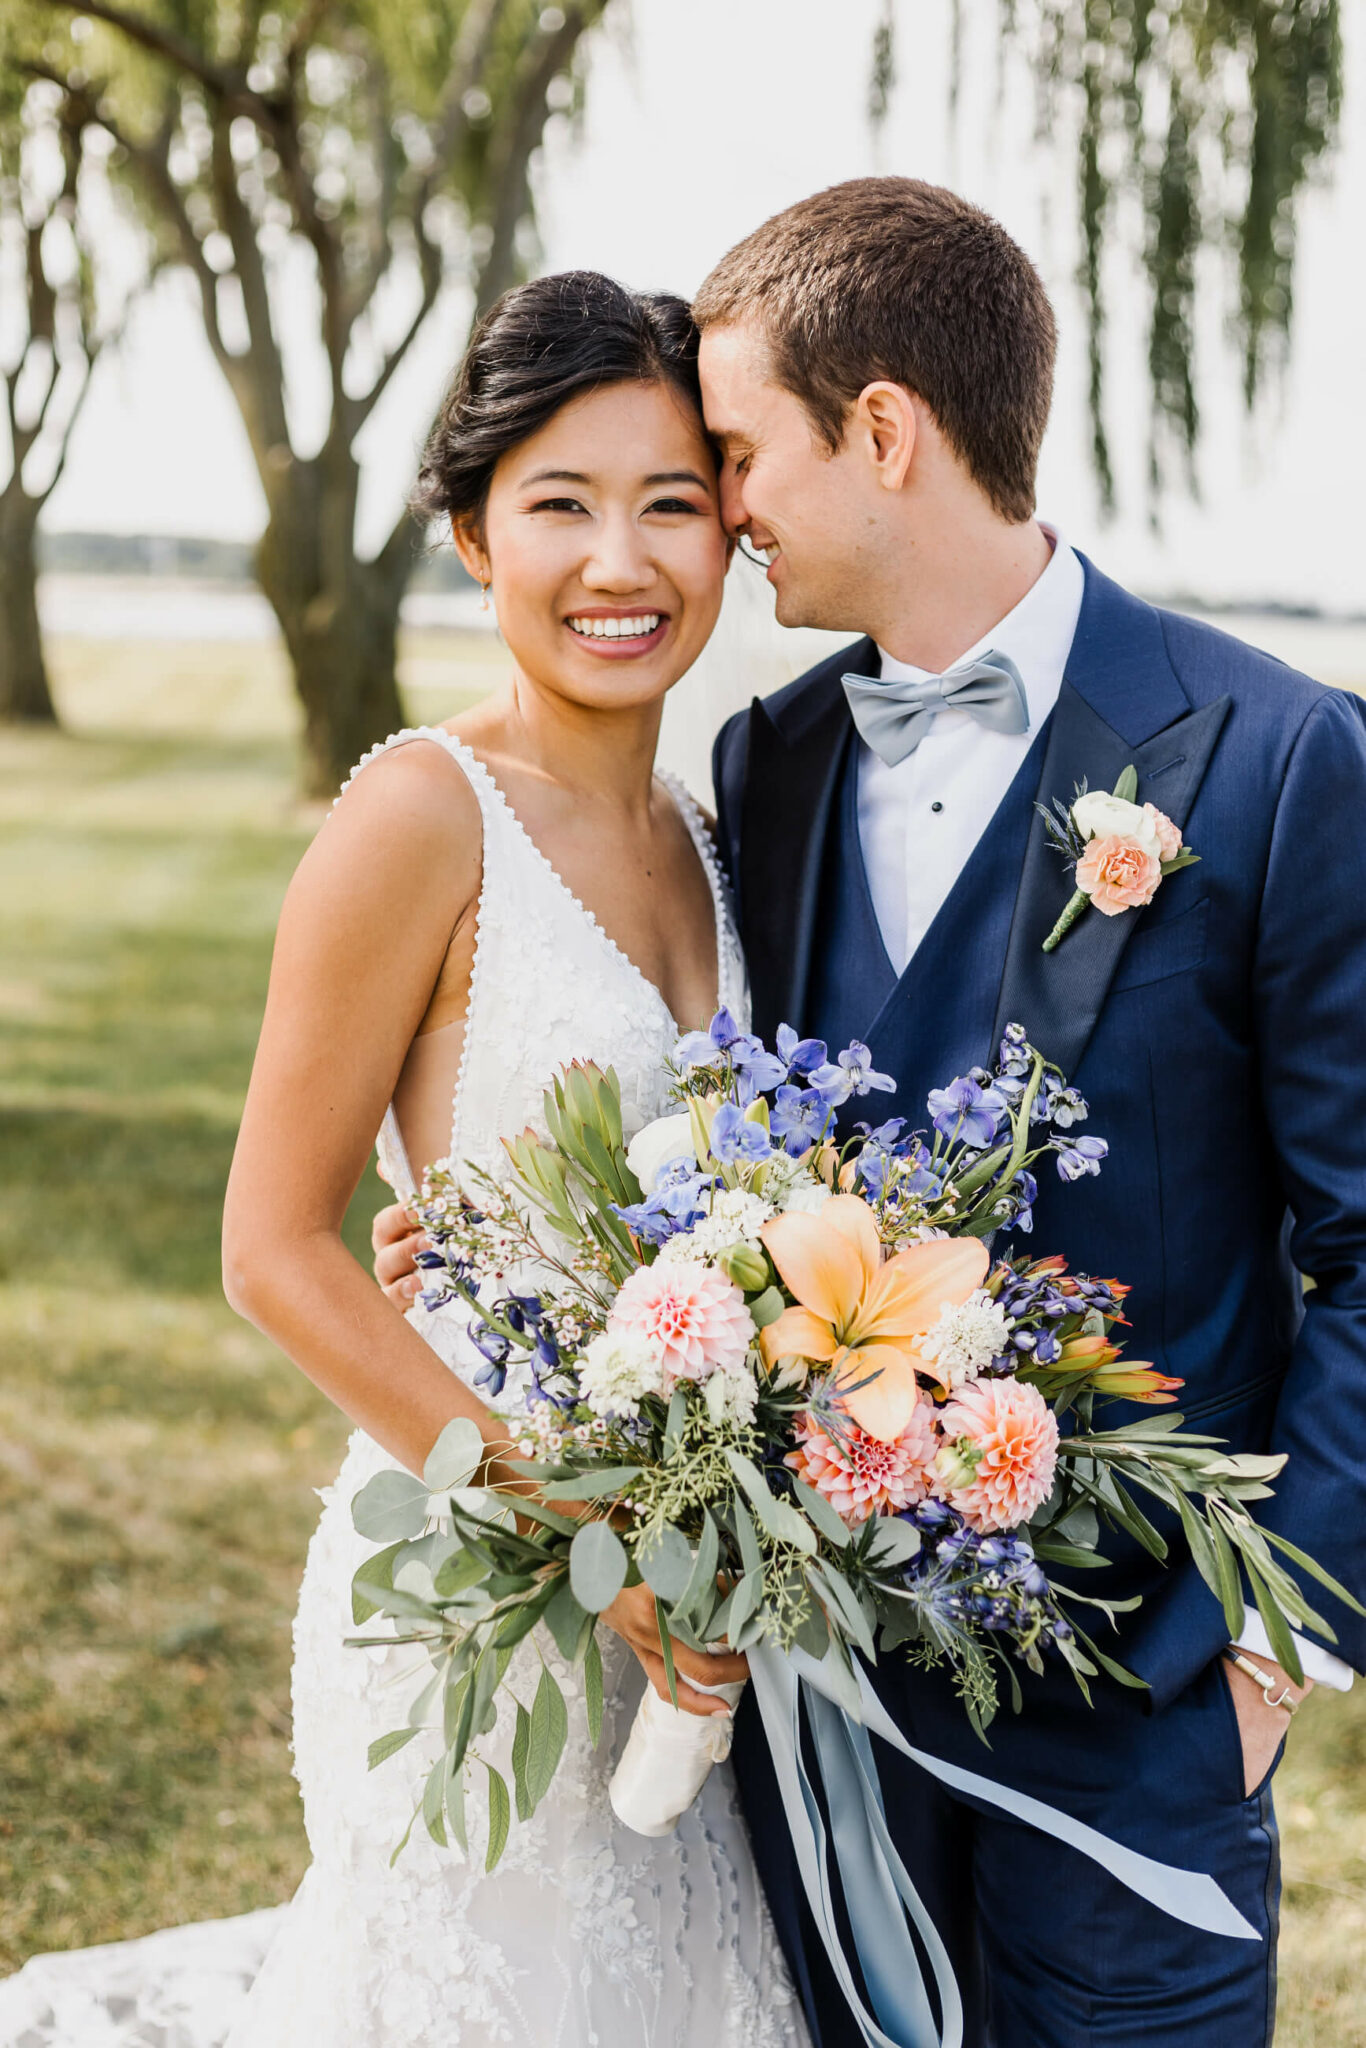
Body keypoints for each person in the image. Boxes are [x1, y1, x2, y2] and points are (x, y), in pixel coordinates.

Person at [377, 179, 1366, 2047]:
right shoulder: (773, 760)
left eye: (735, 453)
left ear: (886, 431)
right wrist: (507, 1250)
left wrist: (1270, 1643)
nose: (719, 510)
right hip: (820, 1709)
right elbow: (722, 1138)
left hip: (1145, 1710)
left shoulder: (1279, 754)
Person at [0, 272, 807, 2048]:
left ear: (734, 530)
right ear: (466, 535)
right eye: (560, 506)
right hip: (482, 1588)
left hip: (686, 1605)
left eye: (672, 502)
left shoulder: (710, 830)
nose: (624, 562)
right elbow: (273, 1247)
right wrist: (583, 1527)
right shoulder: (420, 812)